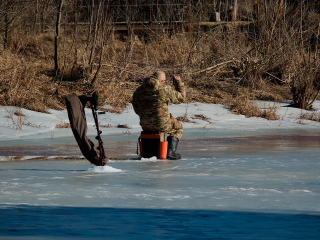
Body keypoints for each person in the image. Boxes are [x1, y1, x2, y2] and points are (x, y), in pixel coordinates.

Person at [132, 71, 186, 160]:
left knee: (167, 125)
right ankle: (170, 152)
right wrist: (178, 82)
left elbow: (136, 108)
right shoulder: (164, 89)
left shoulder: (139, 90)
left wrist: (146, 115)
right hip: (162, 124)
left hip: (145, 125)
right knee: (178, 128)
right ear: (162, 80)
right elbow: (181, 98)